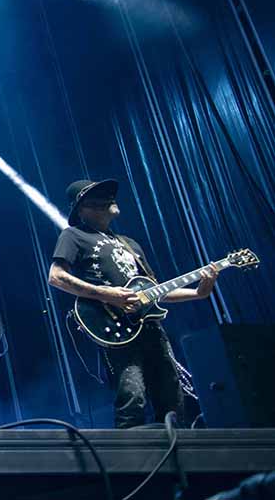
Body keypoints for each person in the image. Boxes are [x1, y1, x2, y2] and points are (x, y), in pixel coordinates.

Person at [48, 179, 216, 428]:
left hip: (149, 327)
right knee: (132, 396)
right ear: (82, 209)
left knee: (172, 398)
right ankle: (130, 451)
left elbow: (155, 292)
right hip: (114, 326)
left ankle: (176, 449)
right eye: (99, 196)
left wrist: (199, 293)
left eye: (109, 195)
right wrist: (107, 294)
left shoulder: (130, 244)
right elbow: (56, 277)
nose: (109, 199)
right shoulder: (74, 236)